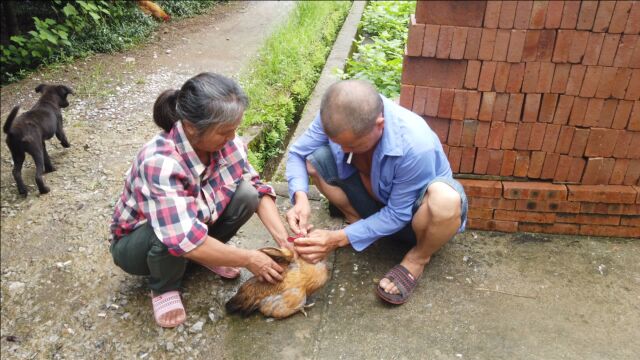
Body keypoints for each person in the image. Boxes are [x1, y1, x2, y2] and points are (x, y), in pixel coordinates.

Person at [109, 72, 290, 328]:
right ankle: (163, 287)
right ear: (192, 128)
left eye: (235, 129)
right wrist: (249, 258)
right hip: (137, 244)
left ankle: (207, 255)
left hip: (193, 224)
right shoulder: (160, 163)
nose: (233, 138)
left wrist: (284, 239)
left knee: (247, 194)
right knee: (166, 235)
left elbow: (258, 188)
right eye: (225, 132)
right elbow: (181, 236)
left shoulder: (228, 144)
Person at [285, 79, 468, 305]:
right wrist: (300, 198)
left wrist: (337, 239)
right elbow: (297, 154)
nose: (343, 151)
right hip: (376, 202)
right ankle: (359, 223)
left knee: (445, 199)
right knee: (315, 161)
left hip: (414, 221)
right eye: (339, 144)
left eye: (352, 146)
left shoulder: (415, 144)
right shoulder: (337, 114)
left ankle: (418, 257)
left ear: (379, 125)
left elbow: (399, 214)